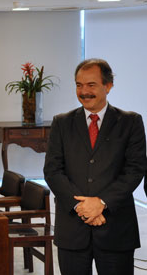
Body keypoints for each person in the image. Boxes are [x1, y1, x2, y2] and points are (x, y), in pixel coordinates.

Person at [44, 59, 147, 275]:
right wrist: (82, 207)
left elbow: (135, 169)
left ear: (108, 86)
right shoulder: (61, 123)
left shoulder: (131, 122)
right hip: (72, 229)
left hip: (116, 229)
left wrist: (101, 203)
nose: (84, 91)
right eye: (79, 85)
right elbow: (52, 171)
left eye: (91, 85)